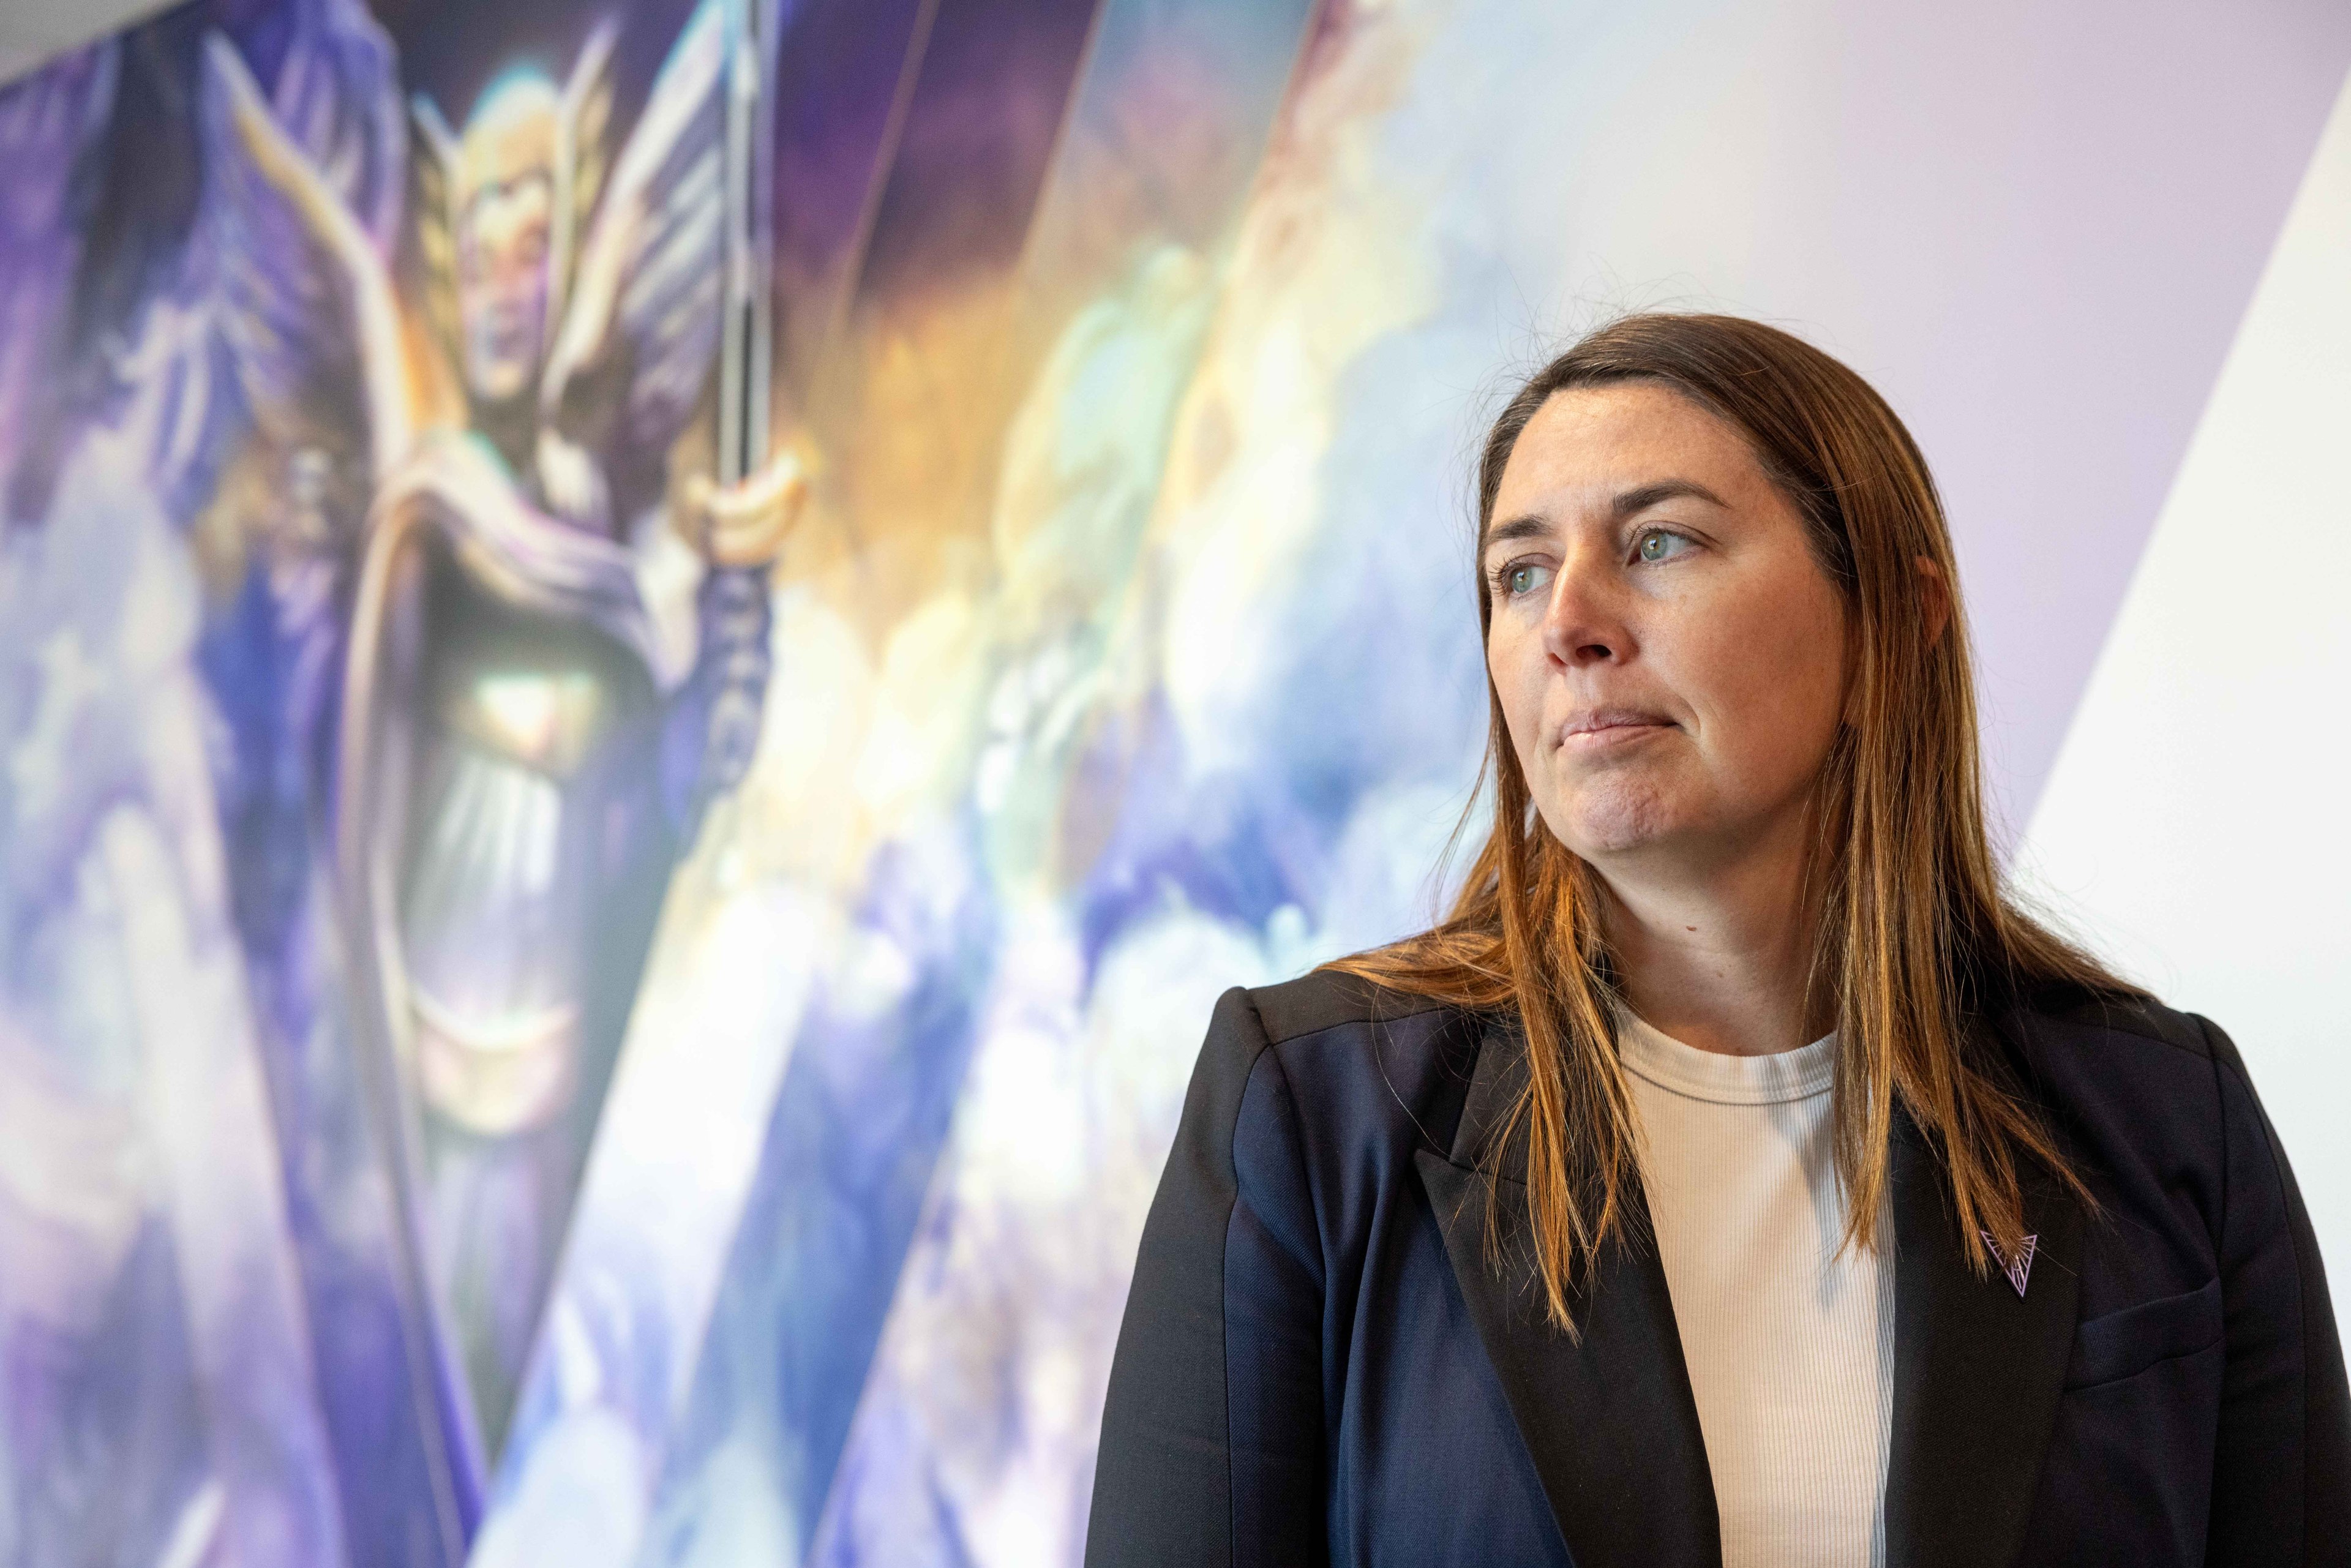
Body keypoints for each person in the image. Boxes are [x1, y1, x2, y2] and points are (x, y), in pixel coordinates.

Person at [1085, 313, 2350, 1567]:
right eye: (1518, 571)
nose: (1567, 621)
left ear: (1892, 625)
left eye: (1661, 542)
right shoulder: (1312, 1111)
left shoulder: (2172, 1124)